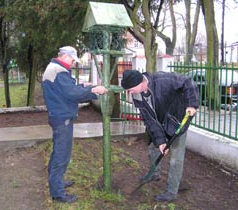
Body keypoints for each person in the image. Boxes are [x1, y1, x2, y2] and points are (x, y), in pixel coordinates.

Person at [121, 69, 199, 202]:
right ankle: (154, 174)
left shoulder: (163, 80)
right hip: (160, 123)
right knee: (154, 147)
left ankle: (171, 191)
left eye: (130, 89)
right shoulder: (137, 96)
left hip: (177, 121)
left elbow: (187, 82)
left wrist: (192, 104)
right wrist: (161, 141)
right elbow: (149, 121)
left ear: (140, 83)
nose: (129, 92)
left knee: (176, 158)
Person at [42, 46, 108, 203]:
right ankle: (58, 193)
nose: (72, 63)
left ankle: (55, 181)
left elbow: (67, 90)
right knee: (62, 154)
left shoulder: (55, 69)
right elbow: (72, 94)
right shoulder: (59, 71)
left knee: (58, 152)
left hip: (58, 115)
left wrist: (84, 86)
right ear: (65, 56)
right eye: (72, 60)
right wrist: (94, 90)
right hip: (62, 117)